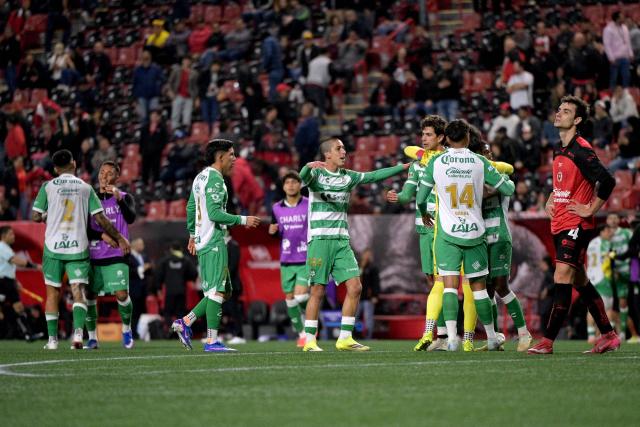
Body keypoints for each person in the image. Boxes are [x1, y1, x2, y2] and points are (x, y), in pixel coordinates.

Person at [528, 96, 620, 355]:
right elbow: (562, 181)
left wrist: (591, 209)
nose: (559, 114)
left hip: (577, 223)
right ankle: (609, 335)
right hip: (561, 222)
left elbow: (608, 181)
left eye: (566, 111)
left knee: (561, 276)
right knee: (580, 280)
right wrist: (550, 198)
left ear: (577, 120)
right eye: (559, 109)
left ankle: (547, 341)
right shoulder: (560, 148)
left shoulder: (581, 149)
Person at [299, 138, 409, 352]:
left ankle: (345, 338)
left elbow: (373, 176)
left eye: (343, 147)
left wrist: (401, 167)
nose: (344, 151)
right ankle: (310, 341)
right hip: (320, 240)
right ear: (327, 155)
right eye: (338, 148)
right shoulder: (316, 175)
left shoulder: (348, 177)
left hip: (341, 241)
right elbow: (302, 178)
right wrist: (306, 167)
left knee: (356, 287)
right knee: (318, 290)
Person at [416, 120, 515, 351]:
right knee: (479, 289)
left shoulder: (437, 162)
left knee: (449, 286)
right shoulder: (480, 161)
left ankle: (451, 338)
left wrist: (423, 214)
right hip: (475, 232)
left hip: (448, 234)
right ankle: (491, 337)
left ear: (446, 139)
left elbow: (421, 199)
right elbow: (508, 189)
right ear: (468, 138)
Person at [32, 149, 130, 350]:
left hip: (53, 248)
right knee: (79, 291)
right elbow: (101, 219)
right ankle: (78, 335)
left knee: (52, 293)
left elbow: (35, 216)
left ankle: (52, 341)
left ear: (55, 168)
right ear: (74, 164)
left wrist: (47, 217)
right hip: (78, 248)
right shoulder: (85, 188)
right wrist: (119, 238)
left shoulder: (47, 187)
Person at [171, 139, 260, 352]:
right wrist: (242, 220)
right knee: (216, 292)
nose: (235, 158)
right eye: (231, 154)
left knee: (220, 291)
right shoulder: (215, 179)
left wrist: (193, 234)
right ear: (220, 157)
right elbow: (214, 213)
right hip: (213, 241)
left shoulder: (200, 177)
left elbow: (191, 207)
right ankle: (211, 340)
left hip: (204, 239)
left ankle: (186, 322)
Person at [386, 115, 455, 351]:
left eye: (428, 135)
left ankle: (450, 335)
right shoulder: (417, 164)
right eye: (422, 135)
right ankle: (444, 336)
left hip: (444, 227)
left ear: (441, 137)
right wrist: (397, 198)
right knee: (432, 281)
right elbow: (408, 194)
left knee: (444, 281)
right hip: (424, 227)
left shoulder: (449, 160)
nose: (423, 139)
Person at [468, 129, 532, 352]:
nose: (488, 157)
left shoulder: (501, 176)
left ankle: (524, 333)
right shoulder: (472, 177)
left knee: (501, 285)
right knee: (484, 289)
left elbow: (499, 190)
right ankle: (494, 337)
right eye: (483, 154)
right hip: (478, 238)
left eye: (489, 153)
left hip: (499, 237)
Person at [84, 161, 137, 349]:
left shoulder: (124, 197)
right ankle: (92, 338)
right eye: (102, 172)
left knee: (122, 295)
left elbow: (131, 218)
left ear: (116, 177)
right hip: (94, 254)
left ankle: (126, 329)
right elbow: (85, 229)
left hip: (117, 254)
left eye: (109, 173)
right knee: (89, 296)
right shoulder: (89, 199)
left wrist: (119, 200)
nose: (104, 176)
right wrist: (102, 235)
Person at [268, 170, 310, 347]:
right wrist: (271, 232)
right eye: (287, 183)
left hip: (306, 257)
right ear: (283, 187)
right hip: (286, 259)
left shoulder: (310, 204)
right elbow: (274, 229)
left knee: (301, 296)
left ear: (300, 185)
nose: (291, 185)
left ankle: (311, 319)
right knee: (290, 298)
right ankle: (302, 334)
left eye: (294, 182)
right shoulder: (276, 208)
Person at [0, 225, 42, 342]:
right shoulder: (2, 247)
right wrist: (34, 266)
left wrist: (15, 282)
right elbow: (14, 260)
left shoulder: (7, 248)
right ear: (3, 236)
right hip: (2, 282)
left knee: (19, 308)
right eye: (11, 234)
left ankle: (28, 334)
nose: (13, 236)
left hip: (8, 282)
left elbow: (7, 267)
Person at [607, 213, 639, 341]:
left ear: (619, 220)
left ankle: (623, 334)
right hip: (609, 272)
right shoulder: (606, 235)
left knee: (623, 301)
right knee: (610, 304)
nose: (613, 220)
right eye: (611, 218)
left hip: (625, 270)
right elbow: (606, 253)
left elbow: (633, 247)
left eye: (616, 218)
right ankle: (608, 333)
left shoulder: (626, 233)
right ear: (607, 221)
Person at [156, 241, 198, 334]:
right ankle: (179, 332)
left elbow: (158, 274)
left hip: (169, 291)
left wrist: (158, 288)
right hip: (181, 290)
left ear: (171, 249)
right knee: (180, 312)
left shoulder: (165, 260)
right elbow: (194, 273)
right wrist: (186, 277)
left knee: (167, 312)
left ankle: (169, 331)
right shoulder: (186, 260)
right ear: (181, 249)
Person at [586, 225, 615, 344]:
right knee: (607, 308)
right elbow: (609, 258)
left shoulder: (592, 243)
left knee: (592, 306)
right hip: (602, 277)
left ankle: (591, 334)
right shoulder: (605, 243)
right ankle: (605, 335)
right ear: (602, 232)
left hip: (590, 277)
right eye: (608, 231)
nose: (610, 234)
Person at [128, 238, 150, 338]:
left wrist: (149, 268)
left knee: (140, 312)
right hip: (133, 289)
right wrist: (141, 268)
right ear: (134, 245)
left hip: (142, 289)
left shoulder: (144, 256)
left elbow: (148, 272)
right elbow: (128, 272)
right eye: (141, 244)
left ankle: (136, 332)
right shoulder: (128, 256)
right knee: (133, 312)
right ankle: (131, 332)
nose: (143, 246)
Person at [356, 248, 379, 340]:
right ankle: (355, 335)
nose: (367, 256)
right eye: (366, 254)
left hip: (368, 298)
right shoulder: (357, 266)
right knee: (354, 317)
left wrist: (375, 295)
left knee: (368, 318)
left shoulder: (373, 268)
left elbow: (376, 283)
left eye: (369, 254)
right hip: (357, 297)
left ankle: (368, 337)